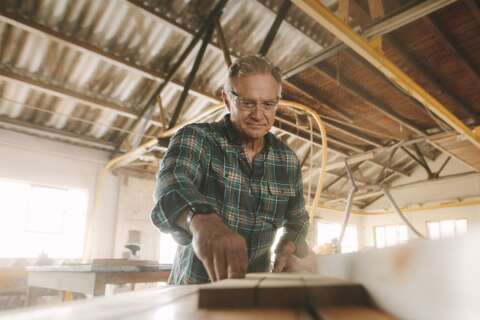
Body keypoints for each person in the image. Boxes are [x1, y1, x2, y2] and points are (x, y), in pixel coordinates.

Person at [151, 55, 310, 285]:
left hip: (254, 294)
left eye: (268, 104)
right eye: (247, 103)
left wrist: (289, 242)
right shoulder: (197, 138)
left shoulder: (287, 160)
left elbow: (299, 219)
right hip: (194, 293)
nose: (258, 114)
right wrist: (203, 221)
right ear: (226, 99)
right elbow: (172, 182)